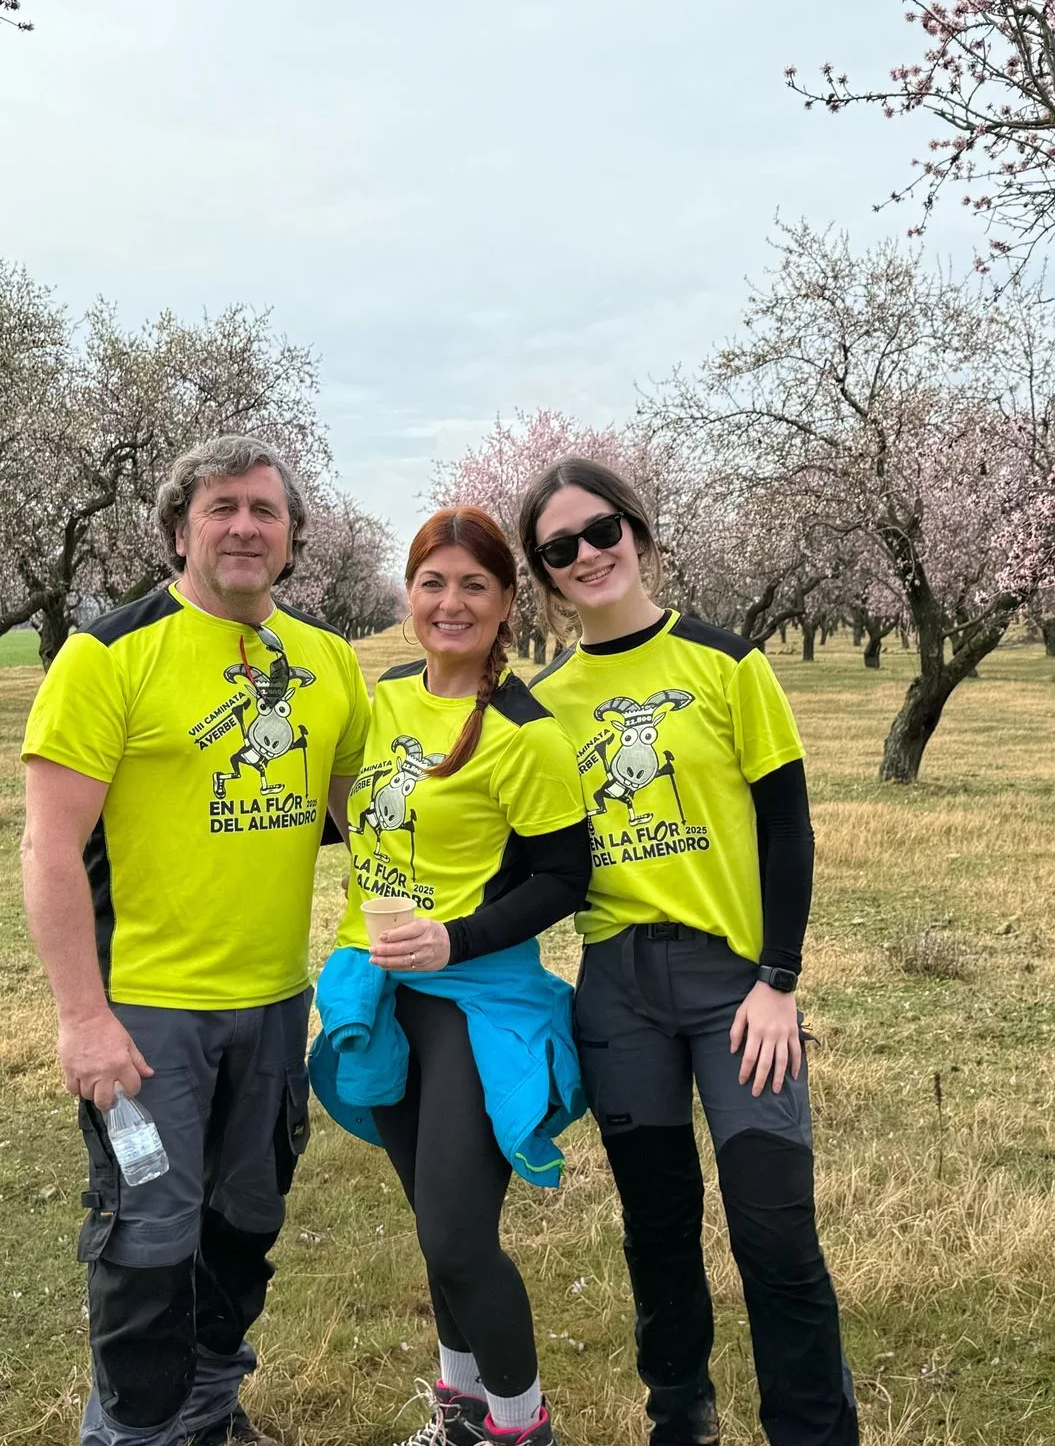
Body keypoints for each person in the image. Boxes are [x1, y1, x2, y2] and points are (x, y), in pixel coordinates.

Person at [20, 435, 372, 1446]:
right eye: (221, 507)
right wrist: (82, 1019)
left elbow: (370, 821)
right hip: (145, 1016)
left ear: (294, 538)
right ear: (180, 529)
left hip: (274, 1004)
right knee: (144, 1245)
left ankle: (210, 1417)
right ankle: (133, 1435)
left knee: (243, 1230)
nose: (244, 527)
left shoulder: (326, 663)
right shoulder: (110, 655)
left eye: (265, 510)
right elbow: (48, 849)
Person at [519, 459, 859, 1446]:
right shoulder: (542, 706)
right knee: (657, 1233)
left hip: (734, 991)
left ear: (637, 531)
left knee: (773, 1232)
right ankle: (681, 1417)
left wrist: (777, 981)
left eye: (601, 530)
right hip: (618, 996)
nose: (586, 554)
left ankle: (811, 1429)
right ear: (542, 572)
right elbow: (528, 855)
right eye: (558, 547)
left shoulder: (726, 663)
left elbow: (786, 831)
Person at [308, 507, 590, 1446]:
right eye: (434, 582)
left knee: (460, 1237)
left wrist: (455, 940)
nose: (451, 602)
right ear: (409, 592)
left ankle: (522, 1426)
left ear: (508, 602)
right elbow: (349, 810)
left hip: (475, 1001)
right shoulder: (384, 696)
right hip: (380, 992)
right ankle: (462, 1409)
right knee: (433, 1220)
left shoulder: (524, 731)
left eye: (475, 584)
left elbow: (563, 876)